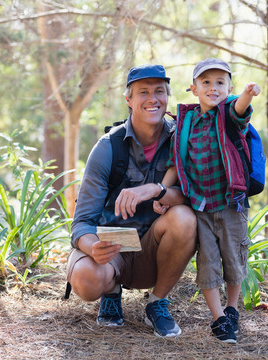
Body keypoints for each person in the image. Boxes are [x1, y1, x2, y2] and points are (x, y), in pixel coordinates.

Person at [67, 64, 197, 338]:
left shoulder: (181, 139)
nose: (153, 99)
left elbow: (194, 198)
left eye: (159, 91)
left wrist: (154, 190)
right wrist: (94, 248)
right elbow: (81, 223)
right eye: (143, 92)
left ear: (167, 97)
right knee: (87, 280)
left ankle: (157, 302)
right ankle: (110, 291)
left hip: (153, 248)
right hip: (112, 246)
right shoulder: (107, 147)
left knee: (185, 218)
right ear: (129, 100)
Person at [154, 58, 261, 344]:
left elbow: (241, 110)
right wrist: (162, 192)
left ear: (229, 88)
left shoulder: (228, 115)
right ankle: (219, 319)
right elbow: (176, 163)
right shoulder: (185, 123)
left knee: (234, 258)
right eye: (206, 82)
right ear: (193, 88)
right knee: (208, 263)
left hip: (230, 203)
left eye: (220, 82)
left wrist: (248, 95)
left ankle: (232, 308)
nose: (213, 88)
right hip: (200, 205)